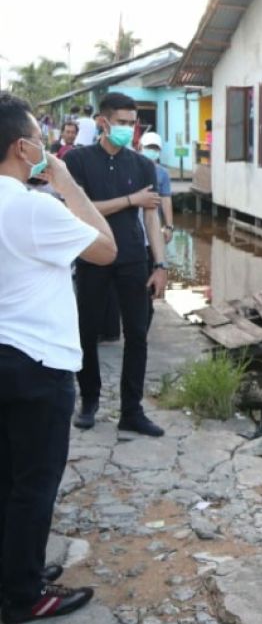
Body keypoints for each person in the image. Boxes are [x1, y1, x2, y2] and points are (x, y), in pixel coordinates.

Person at [0, 91, 117, 624]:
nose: (46, 151)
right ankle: (24, 596)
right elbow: (105, 247)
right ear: (24, 148)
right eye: (41, 144)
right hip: (36, 362)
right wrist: (66, 181)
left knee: (8, 479)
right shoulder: (31, 207)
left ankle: (14, 572)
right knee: (35, 484)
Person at [63, 93, 167, 436]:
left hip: (133, 259)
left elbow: (151, 216)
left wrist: (161, 264)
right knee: (86, 331)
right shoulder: (78, 161)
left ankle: (131, 410)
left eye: (132, 123)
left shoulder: (141, 165)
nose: (128, 129)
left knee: (137, 334)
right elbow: (81, 210)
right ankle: (89, 399)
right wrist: (129, 200)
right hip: (93, 256)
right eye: (122, 122)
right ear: (104, 122)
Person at [137, 133, 173, 326]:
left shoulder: (162, 174)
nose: (152, 151)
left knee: (153, 267)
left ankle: (148, 306)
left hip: (151, 232)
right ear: (141, 146)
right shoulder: (131, 167)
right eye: (149, 147)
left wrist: (169, 225)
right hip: (132, 233)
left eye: (156, 149)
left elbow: (166, 200)